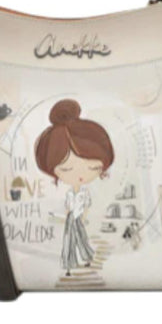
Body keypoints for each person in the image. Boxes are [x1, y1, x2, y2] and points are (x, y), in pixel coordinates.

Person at [35, 99, 115, 276]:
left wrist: (82, 217)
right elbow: (69, 208)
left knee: (78, 238)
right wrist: (70, 216)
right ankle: (71, 263)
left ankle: (83, 258)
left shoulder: (84, 193)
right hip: (72, 219)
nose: (80, 175)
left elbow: (85, 207)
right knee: (70, 239)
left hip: (76, 219)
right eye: (66, 169)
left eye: (93, 168)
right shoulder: (71, 194)